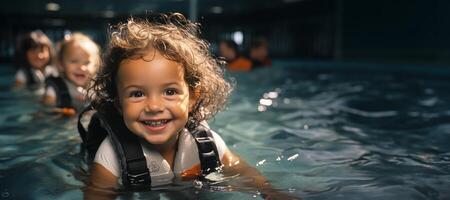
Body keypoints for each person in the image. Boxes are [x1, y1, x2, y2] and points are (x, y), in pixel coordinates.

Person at [82, 13, 297, 199]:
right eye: (137, 94)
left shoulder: (207, 142)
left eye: (170, 91)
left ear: (193, 97)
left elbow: (242, 172)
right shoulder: (110, 156)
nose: (154, 106)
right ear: (119, 105)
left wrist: (271, 193)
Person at [41, 32, 101, 116]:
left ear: (95, 66)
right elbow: (45, 111)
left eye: (87, 63)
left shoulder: (95, 89)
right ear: (61, 64)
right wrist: (66, 112)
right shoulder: (53, 91)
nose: (81, 67)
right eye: (74, 61)